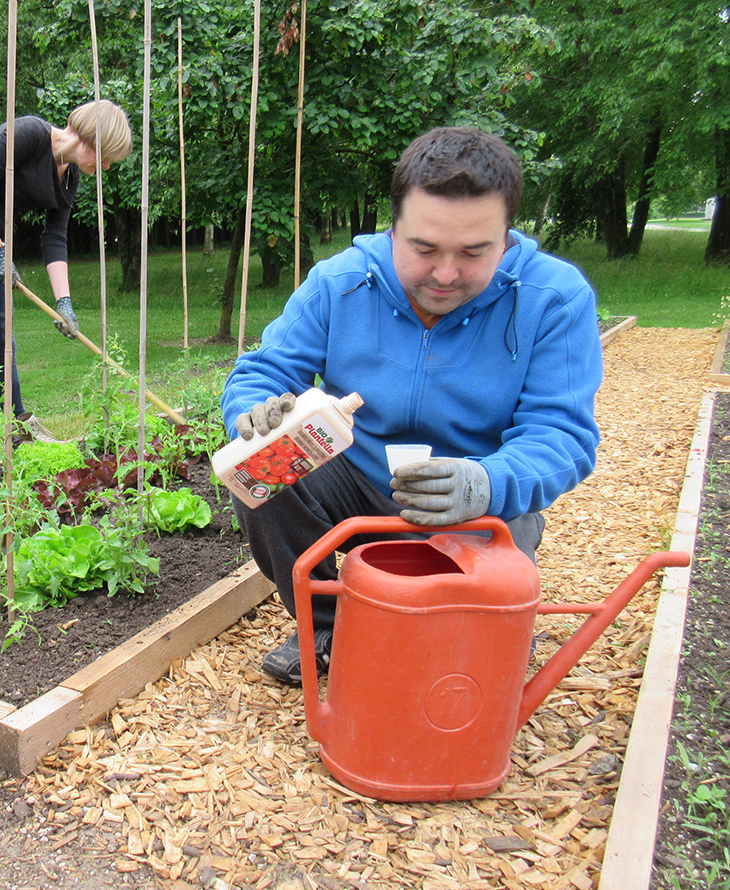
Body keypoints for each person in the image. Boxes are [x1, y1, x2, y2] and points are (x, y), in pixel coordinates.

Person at [221, 126, 603, 684]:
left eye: (474, 253)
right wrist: (253, 412)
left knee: (461, 668)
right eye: (424, 249)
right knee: (261, 472)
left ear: (507, 237)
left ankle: (482, 618)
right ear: (393, 228)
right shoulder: (341, 282)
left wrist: (487, 482)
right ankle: (330, 625)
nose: (446, 275)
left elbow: (562, 433)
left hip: (478, 500)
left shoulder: (553, 298)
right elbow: (265, 371)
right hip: (361, 482)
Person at [0, 99, 133, 435]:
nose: (106, 166)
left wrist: (64, 303)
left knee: (3, 344)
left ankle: (19, 426)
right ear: (88, 138)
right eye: (106, 155)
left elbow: (54, 238)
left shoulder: (70, 177)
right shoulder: (30, 134)